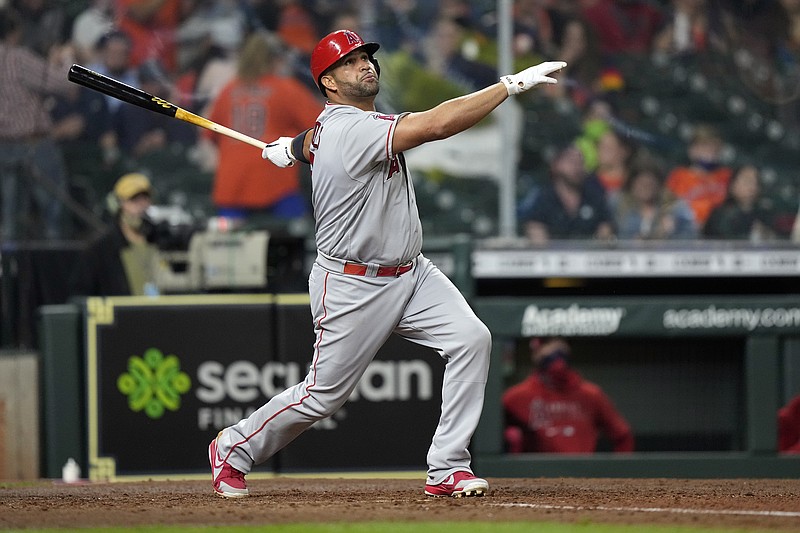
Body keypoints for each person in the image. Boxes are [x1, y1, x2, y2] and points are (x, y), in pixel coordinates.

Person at [208, 29, 567, 499]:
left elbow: (315, 139)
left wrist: (293, 147)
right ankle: (233, 447)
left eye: (366, 57)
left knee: (472, 339)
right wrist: (507, 86)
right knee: (323, 396)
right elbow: (436, 125)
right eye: (350, 62)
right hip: (353, 282)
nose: (365, 65)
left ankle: (448, 467)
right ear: (329, 83)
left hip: (411, 273)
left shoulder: (338, 127)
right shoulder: (350, 130)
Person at [201, 31, 322, 223]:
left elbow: (209, 134)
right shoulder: (286, 88)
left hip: (232, 181)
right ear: (274, 59)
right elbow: (320, 126)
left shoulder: (228, 90)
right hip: (274, 179)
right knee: (295, 237)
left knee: (230, 248)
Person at [0, 6, 74, 241]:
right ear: (13, 32)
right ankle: (57, 272)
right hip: (33, 145)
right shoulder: (17, 57)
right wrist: (66, 58)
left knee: (11, 221)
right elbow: (64, 83)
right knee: (53, 215)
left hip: (3, 147)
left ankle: (11, 276)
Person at [502, 337, 634, 454]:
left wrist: (615, 475)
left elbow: (622, 436)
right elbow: (491, 437)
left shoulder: (591, 394)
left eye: (559, 342)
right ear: (535, 352)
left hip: (584, 475)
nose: (555, 348)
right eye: (547, 343)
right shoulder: (516, 397)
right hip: (536, 476)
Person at [70, 173, 163, 296]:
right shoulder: (99, 250)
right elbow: (81, 294)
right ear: (118, 205)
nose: (141, 206)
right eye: (134, 200)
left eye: (145, 198)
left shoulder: (162, 240)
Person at [522, 142, 615, 244]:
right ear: (556, 165)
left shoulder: (594, 197)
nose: (577, 167)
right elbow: (535, 230)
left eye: (580, 162)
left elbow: (606, 230)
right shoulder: (543, 198)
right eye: (571, 162)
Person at [665, 123, 732, 231]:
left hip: (717, 231)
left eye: (715, 146)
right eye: (705, 145)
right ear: (692, 149)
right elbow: (667, 205)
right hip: (687, 230)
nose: (711, 150)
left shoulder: (726, 175)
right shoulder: (679, 175)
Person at [615, 157, 698, 240]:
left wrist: (670, 234)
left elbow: (692, 240)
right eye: (641, 185)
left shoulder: (677, 209)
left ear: (659, 185)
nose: (645, 190)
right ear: (631, 185)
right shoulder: (619, 207)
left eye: (649, 185)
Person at [703, 164, 778, 241]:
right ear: (733, 185)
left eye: (756, 182)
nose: (752, 186)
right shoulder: (720, 214)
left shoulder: (764, 213)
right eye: (747, 181)